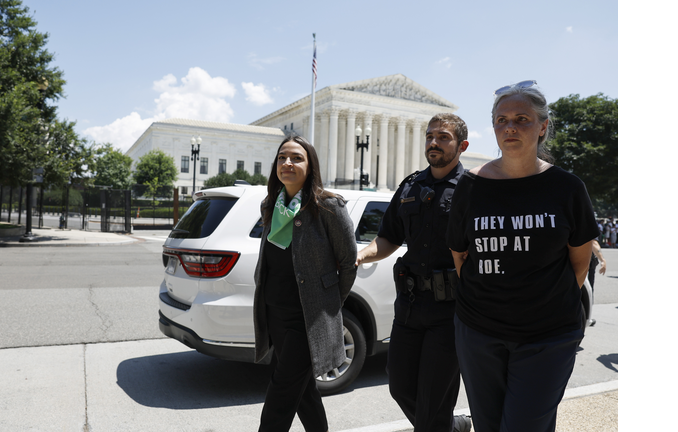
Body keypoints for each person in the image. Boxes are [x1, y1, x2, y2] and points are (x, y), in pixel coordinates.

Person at [447, 81, 600, 432]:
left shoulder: (567, 188)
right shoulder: (470, 186)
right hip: (478, 332)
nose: (509, 127)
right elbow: (460, 256)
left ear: (543, 126)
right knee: (488, 426)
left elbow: (579, 264)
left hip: (548, 336)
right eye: (501, 120)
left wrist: (538, 302)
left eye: (522, 118)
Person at [355, 113, 472, 432]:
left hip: (450, 311)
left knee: (433, 399)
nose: (434, 142)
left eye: (443, 137)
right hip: (408, 307)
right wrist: (360, 256)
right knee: (400, 387)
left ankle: (443, 425)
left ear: (461, 145)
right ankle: (454, 427)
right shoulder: (410, 185)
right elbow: (388, 237)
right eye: (430, 135)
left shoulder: (473, 189)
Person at [253, 135, 357, 432]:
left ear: (310, 166)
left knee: (281, 394)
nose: (287, 163)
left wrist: (328, 304)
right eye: (282, 157)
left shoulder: (328, 207)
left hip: (308, 317)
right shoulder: (271, 205)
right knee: (303, 392)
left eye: (297, 158)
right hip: (275, 313)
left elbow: (348, 263)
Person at [587, 239, 607, 326]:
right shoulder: (586, 224)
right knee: (588, 291)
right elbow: (593, 242)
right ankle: (587, 318)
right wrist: (602, 260)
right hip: (586, 263)